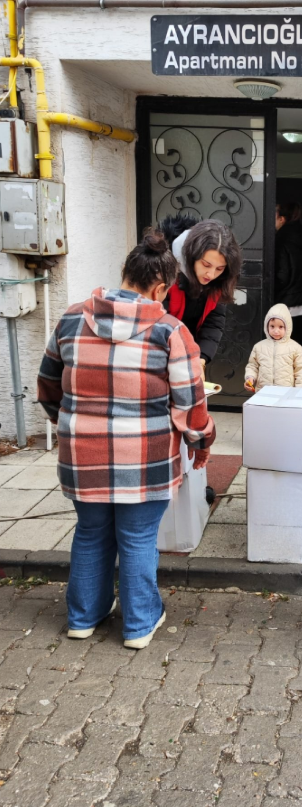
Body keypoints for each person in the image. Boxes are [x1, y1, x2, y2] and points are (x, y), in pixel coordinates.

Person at [37, 231, 216, 649]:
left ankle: (83, 618)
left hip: (82, 457)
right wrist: (200, 442)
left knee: (91, 532)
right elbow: (191, 406)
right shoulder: (170, 332)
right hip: (146, 459)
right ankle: (138, 624)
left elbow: (48, 388)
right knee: (137, 538)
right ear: (160, 288)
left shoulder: (70, 318)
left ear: (124, 274)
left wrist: (74, 425)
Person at [160, 216, 242, 379]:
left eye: (219, 268)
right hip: (161, 356)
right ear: (191, 256)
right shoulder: (165, 271)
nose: (211, 274)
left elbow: (214, 320)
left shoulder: (219, 281)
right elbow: (158, 326)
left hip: (189, 354)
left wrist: (201, 358)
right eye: (206, 265)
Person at [244, 303, 302, 392]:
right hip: (263, 393)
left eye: (281, 327)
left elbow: (301, 372)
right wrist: (250, 377)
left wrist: (300, 393)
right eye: (272, 326)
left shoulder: (296, 348)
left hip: (286, 394)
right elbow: (252, 366)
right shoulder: (259, 347)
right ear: (266, 326)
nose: (276, 331)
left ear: (288, 327)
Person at [275, 202, 302, 340]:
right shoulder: (300, 237)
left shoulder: (281, 240)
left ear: (282, 219)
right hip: (300, 302)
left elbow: (282, 275)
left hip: (285, 302)